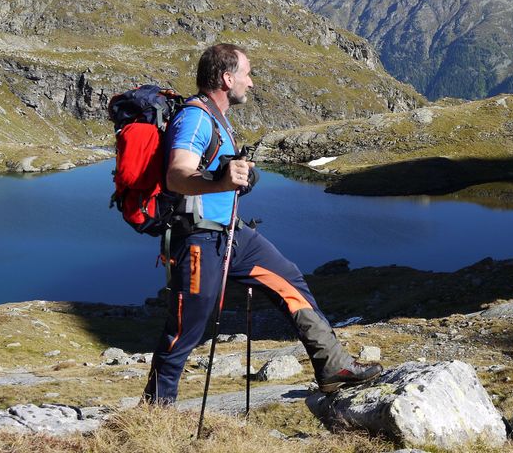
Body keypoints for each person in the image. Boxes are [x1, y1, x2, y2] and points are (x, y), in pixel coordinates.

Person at [143, 43, 382, 404]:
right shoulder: (195, 117)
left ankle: (333, 365)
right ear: (227, 78)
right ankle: (154, 413)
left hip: (232, 235)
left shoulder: (218, 118)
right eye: (246, 73)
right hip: (198, 241)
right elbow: (177, 174)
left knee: (290, 279)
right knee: (186, 328)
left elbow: (214, 175)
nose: (251, 83)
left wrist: (236, 179)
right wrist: (220, 182)